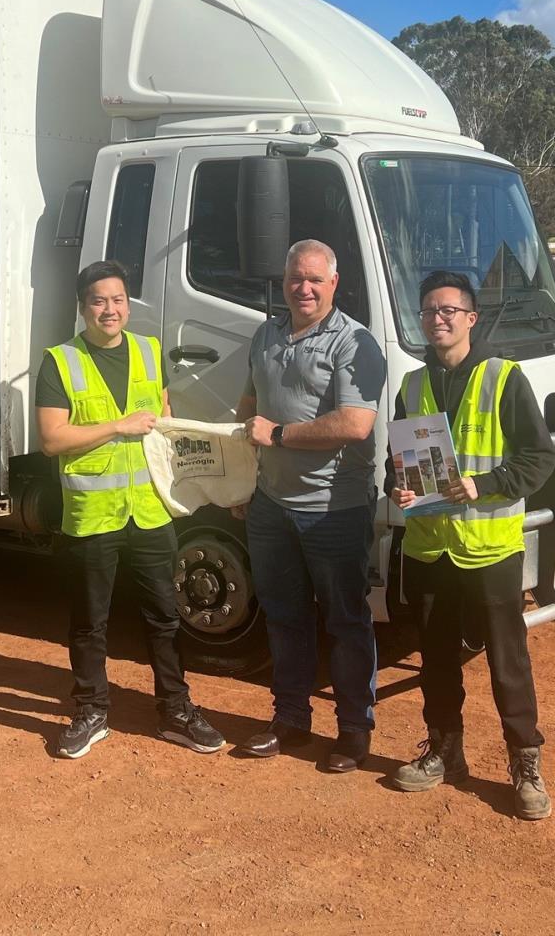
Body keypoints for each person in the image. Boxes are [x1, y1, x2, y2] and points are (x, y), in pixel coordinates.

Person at [386, 270, 555, 820]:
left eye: (448, 311)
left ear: (470, 318)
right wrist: (399, 487)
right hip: (430, 547)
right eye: (429, 311)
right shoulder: (411, 386)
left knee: (508, 662)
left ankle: (525, 764)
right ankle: (444, 751)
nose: (437, 320)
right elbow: (400, 463)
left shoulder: (505, 379)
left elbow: (538, 458)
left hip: (489, 548)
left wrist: (485, 484)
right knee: (436, 660)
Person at [36, 259, 224, 760]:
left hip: (149, 512)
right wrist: (117, 426)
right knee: (89, 621)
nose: (110, 309)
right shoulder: (60, 361)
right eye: (99, 300)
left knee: (165, 616)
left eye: (118, 300)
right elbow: (52, 439)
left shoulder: (150, 350)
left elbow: (162, 419)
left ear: (128, 305)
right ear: (83, 308)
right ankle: (91, 710)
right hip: (93, 516)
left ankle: (176, 710)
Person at [235, 239, 387, 773]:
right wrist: (242, 481)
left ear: (334, 284)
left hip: (333, 508)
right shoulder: (266, 333)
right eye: (296, 278)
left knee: (346, 620)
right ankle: (291, 719)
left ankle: (353, 730)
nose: (304, 288)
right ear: (284, 281)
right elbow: (248, 403)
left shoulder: (355, 342)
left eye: (315, 280)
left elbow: (354, 423)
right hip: (271, 505)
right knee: (283, 615)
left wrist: (277, 434)